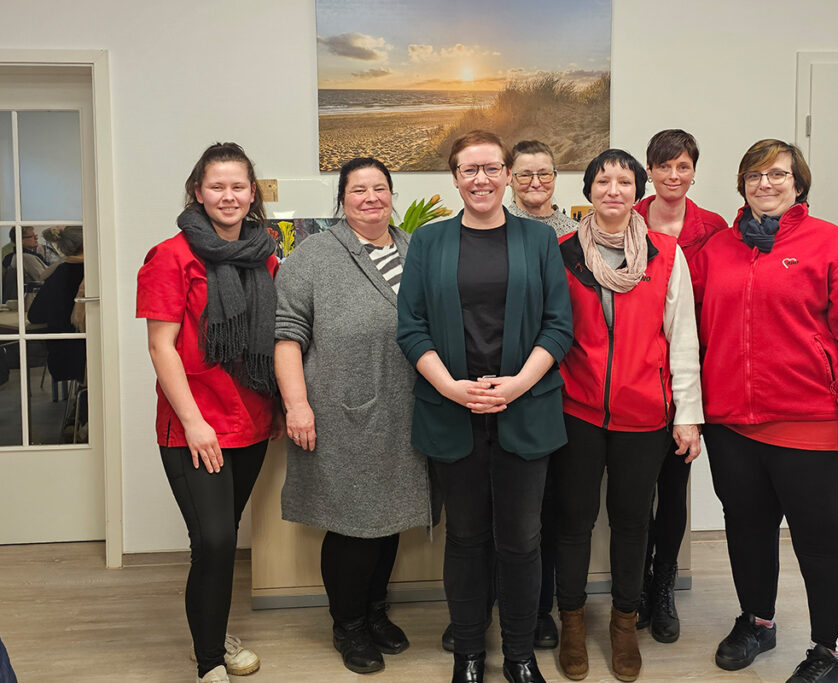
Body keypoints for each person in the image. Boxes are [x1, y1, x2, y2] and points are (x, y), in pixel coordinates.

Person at [690, 139, 838, 683]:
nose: (766, 184)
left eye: (778, 174)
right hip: (732, 425)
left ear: (798, 184)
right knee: (747, 530)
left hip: (812, 425)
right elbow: (689, 327)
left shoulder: (832, 245)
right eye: (755, 175)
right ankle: (757, 622)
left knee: (822, 542)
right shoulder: (717, 250)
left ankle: (833, 653)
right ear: (742, 185)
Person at [396, 130, 572, 683]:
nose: (482, 179)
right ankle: (469, 654)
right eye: (470, 170)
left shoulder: (539, 240)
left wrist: (517, 384)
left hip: (526, 409)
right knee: (466, 539)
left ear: (507, 175)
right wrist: (451, 387)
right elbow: (411, 328)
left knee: (521, 540)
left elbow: (558, 326)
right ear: (454, 178)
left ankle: (519, 655)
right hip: (451, 412)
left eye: (492, 168)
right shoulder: (429, 242)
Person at [274, 157, 431, 675]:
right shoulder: (314, 255)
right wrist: (297, 405)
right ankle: (349, 624)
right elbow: (287, 336)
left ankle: (375, 611)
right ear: (342, 199)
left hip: (408, 412)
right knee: (352, 527)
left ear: (392, 195)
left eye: (379, 188)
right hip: (342, 415)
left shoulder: (416, 248)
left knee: (390, 521)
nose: (370, 198)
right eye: (358, 189)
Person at [553, 149, 703, 682]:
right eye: (602, 181)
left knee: (633, 523)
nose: (612, 190)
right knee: (573, 522)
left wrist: (688, 414)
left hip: (645, 414)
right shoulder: (564, 253)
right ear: (589, 191)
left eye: (623, 182)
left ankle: (623, 623)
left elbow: (682, 338)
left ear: (637, 191)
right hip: (577, 411)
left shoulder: (665, 254)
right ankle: (572, 623)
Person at [137, 142, 283, 683]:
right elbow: (161, 347)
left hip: (252, 419)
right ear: (197, 192)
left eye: (238, 186)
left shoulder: (265, 254)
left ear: (252, 193)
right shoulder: (170, 256)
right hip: (195, 426)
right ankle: (209, 661)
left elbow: (276, 337)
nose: (228, 195)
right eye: (216, 186)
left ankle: (215, 634)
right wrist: (195, 422)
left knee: (223, 539)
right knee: (215, 542)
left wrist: (281, 405)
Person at [632, 129, 728, 643]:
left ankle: (662, 585)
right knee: (634, 491)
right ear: (649, 170)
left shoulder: (713, 229)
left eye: (683, 166)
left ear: (694, 171)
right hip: (637, 375)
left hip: (691, 372)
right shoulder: (627, 217)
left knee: (673, 487)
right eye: (664, 166)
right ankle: (635, 584)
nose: (673, 175)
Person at [28, 226, 86, 383]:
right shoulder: (96, 273)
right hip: (89, 356)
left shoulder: (59, 273)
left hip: (63, 356)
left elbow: (35, 315)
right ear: (85, 245)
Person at [507, 139, 578, 238]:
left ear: (554, 176)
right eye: (525, 175)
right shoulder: (498, 229)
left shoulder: (575, 232)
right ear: (510, 179)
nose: (536, 183)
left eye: (544, 174)